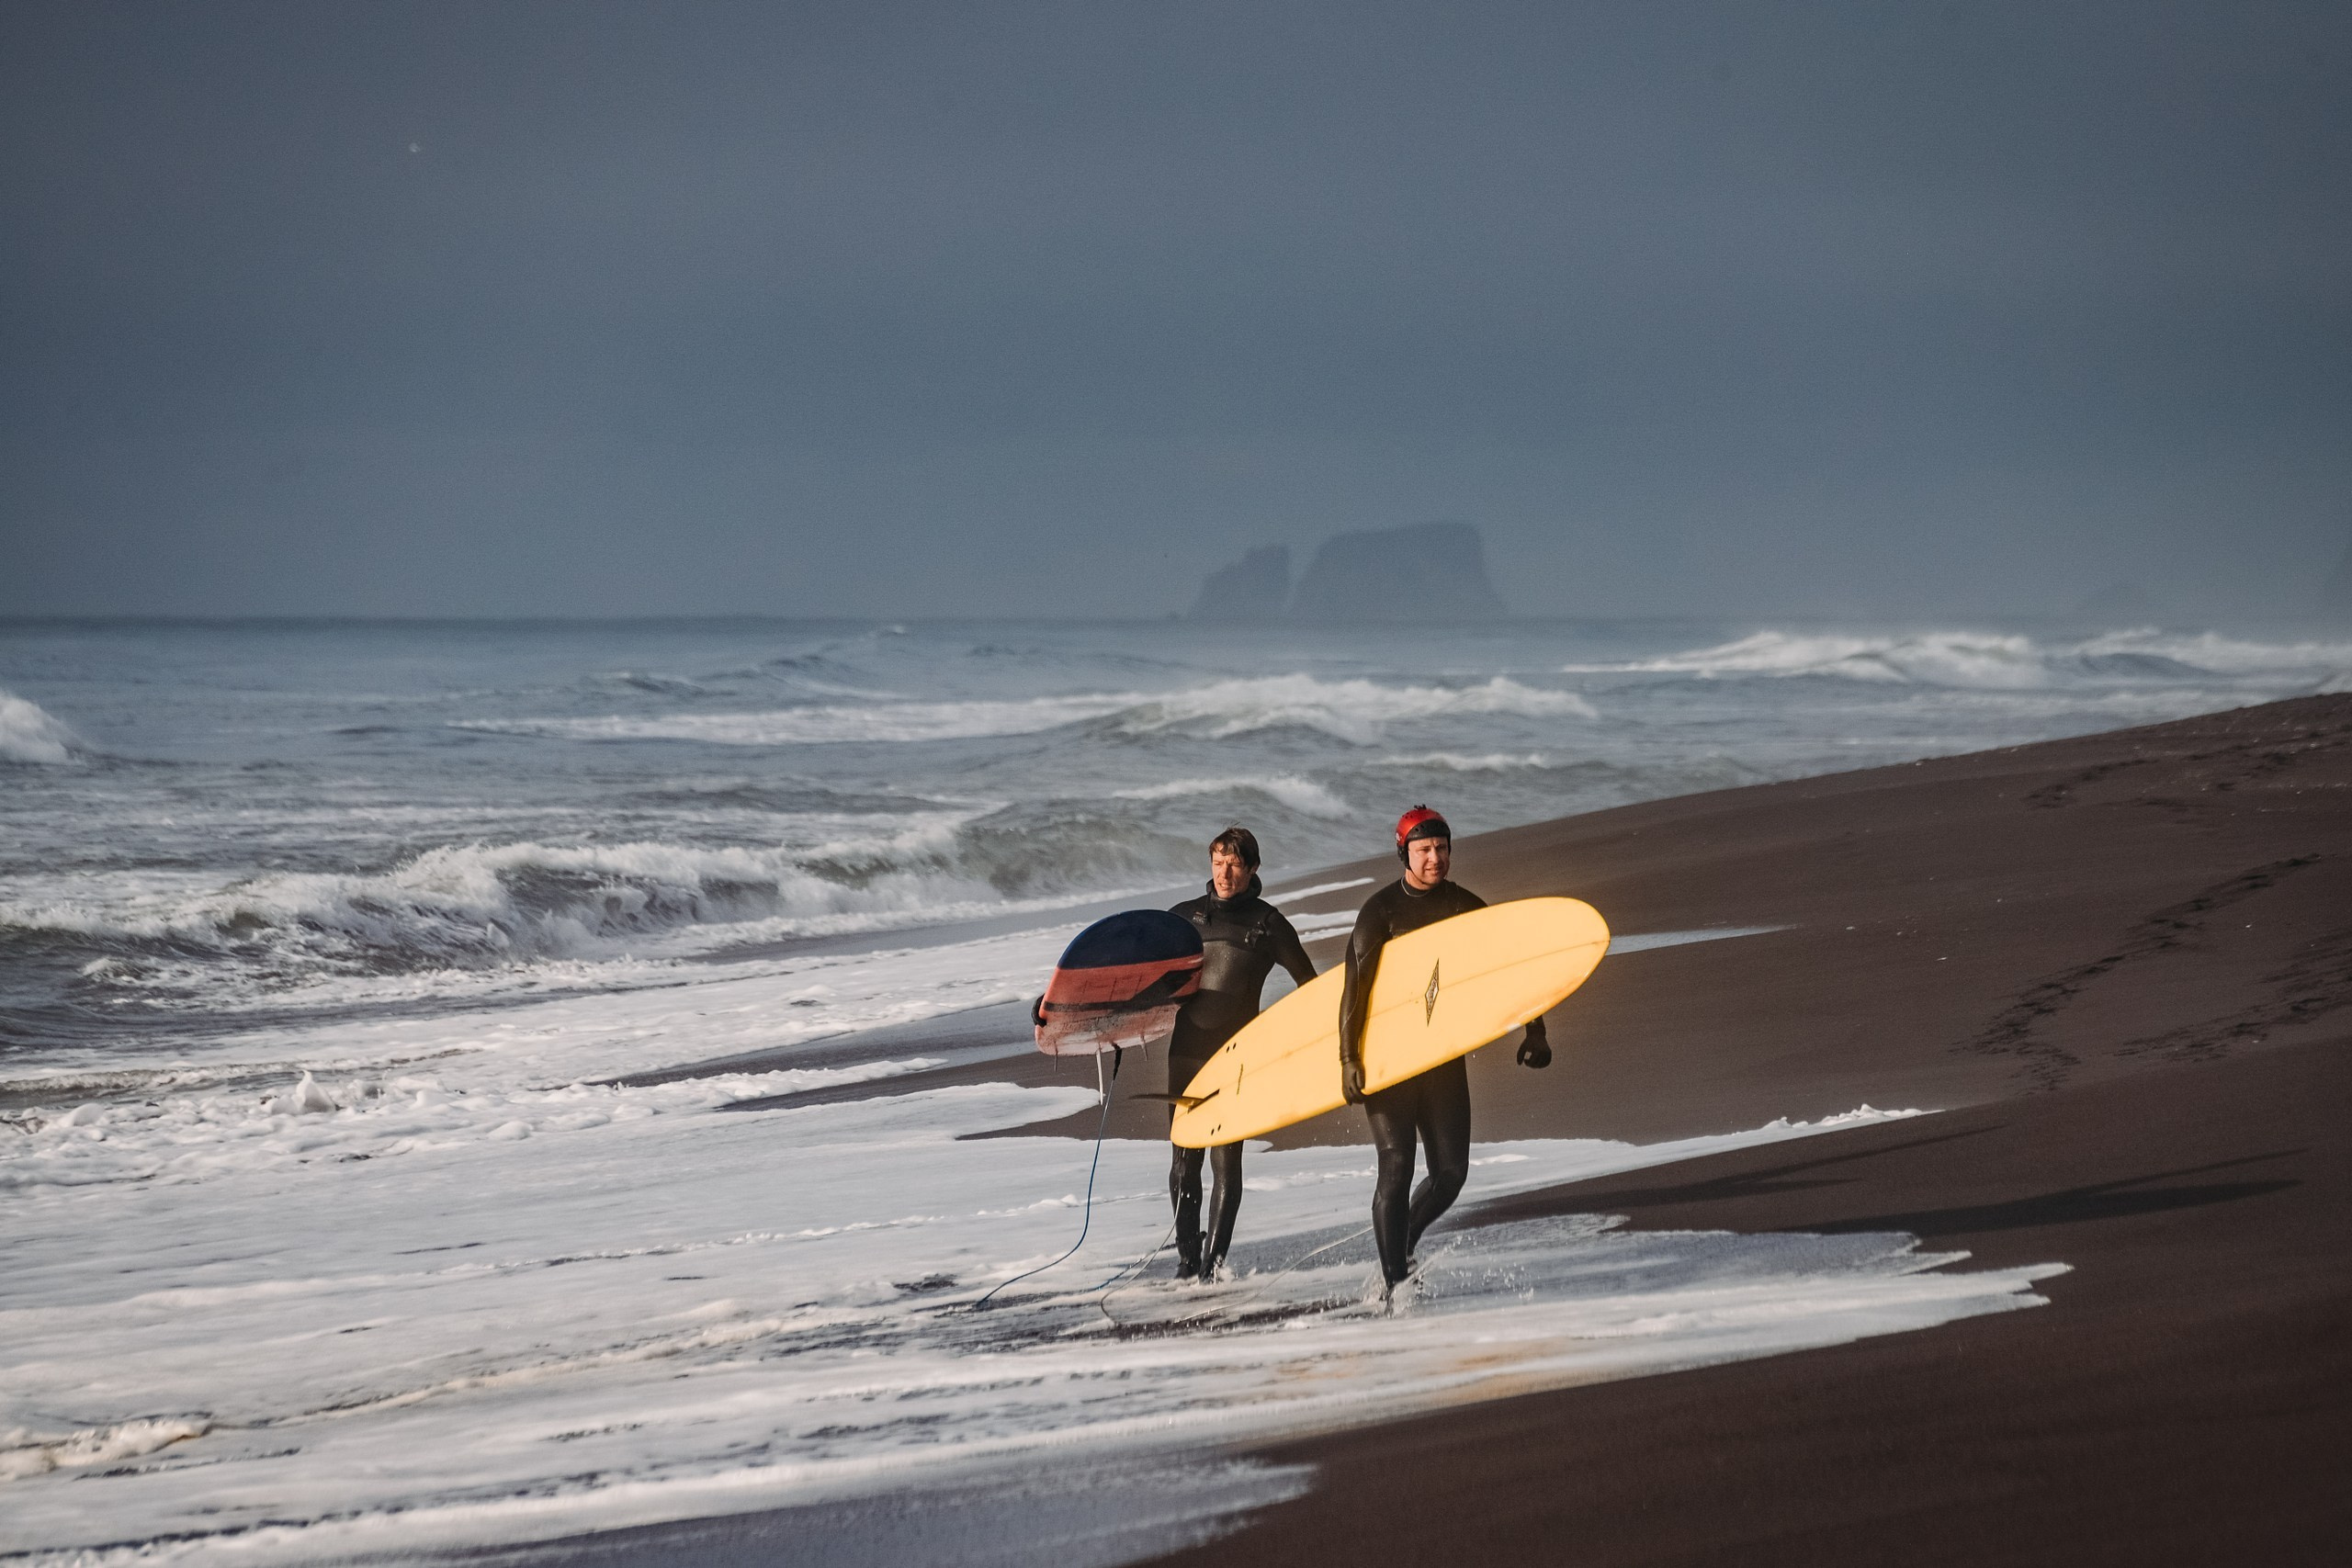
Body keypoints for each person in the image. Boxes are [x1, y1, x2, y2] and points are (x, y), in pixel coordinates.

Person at [1340, 806, 1550, 1292]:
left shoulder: (1465, 906)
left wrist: (1534, 1028)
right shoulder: (1380, 911)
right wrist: (1349, 1058)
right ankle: (1395, 1282)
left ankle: (1402, 1242)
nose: (1435, 857)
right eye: (1424, 850)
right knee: (1396, 1167)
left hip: (1441, 1057)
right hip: (1389, 1058)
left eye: (1442, 848)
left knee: (1451, 1173)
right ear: (1403, 854)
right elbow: (1356, 990)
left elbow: (1512, 968)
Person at [1165, 825, 1317, 1280]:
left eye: (1234, 863)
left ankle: (1214, 1263)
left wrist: (1300, 1043)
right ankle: (1188, 1258)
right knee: (1182, 1163)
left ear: (1252, 868)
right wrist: (1058, 1012)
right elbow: (1139, 982)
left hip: (1238, 1057)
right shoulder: (1182, 918)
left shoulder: (1268, 924)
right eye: (1217, 861)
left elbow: (1310, 986)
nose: (1225, 872)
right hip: (1186, 1053)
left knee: (1226, 1160)